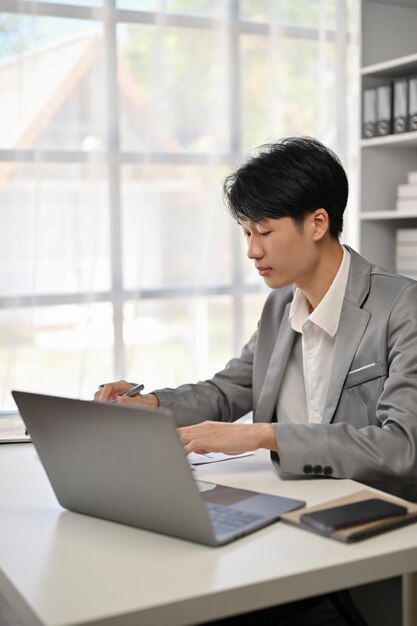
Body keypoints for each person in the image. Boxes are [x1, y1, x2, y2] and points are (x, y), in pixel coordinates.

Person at [96, 136, 416, 625]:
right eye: (246, 233)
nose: (251, 251)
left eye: (262, 231)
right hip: (288, 512)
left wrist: (263, 435)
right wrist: (152, 403)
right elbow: (228, 391)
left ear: (317, 223)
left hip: (365, 527)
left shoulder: (401, 308)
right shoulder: (280, 306)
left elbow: (402, 447)